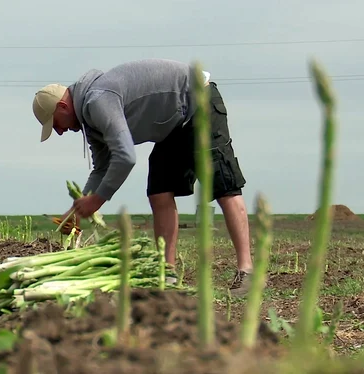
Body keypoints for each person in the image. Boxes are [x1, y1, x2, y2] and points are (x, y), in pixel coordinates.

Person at [31, 58, 253, 296]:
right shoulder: (90, 121)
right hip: (172, 123)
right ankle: (166, 274)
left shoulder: (99, 100)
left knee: (223, 186)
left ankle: (247, 272)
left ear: (63, 107)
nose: (60, 132)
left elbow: (126, 157)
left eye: (55, 125)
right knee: (159, 191)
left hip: (197, 101)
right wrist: (77, 212)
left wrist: (96, 201)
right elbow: (102, 167)